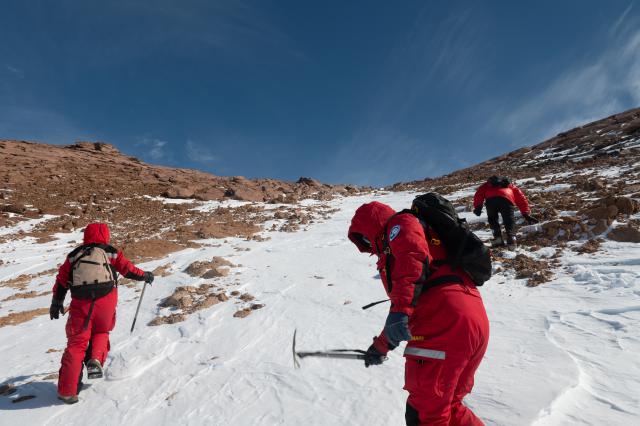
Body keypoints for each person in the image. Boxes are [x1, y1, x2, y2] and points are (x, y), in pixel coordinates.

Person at [348, 201, 489, 426]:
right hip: (470, 319)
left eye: (364, 237)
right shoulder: (425, 235)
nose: (368, 245)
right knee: (449, 405)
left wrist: (400, 311)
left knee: (425, 415)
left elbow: (412, 259)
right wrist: (381, 346)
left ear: (369, 226)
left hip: (442, 323)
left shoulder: (399, 225)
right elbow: (409, 308)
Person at [49, 222, 154, 404]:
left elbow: (62, 280)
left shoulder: (74, 256)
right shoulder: (110, 251)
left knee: (77, 344)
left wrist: (56, 302)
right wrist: (145, 275)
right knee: (101, 332)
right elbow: (127, 269)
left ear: (86, 235)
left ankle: (67, 391)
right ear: (106, 235)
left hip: (81, 304)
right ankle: (95, 358)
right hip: (106, 301)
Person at [472, 176, 537, 248]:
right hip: (507, 199)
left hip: (491, 200)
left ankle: (497, 240)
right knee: (509, 219)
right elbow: (520, 197)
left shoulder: (486, 185)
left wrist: (478, 207)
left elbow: (479, 194)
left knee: (493, 220)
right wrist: (525, 213)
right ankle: (512, 239)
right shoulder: (509, 185)